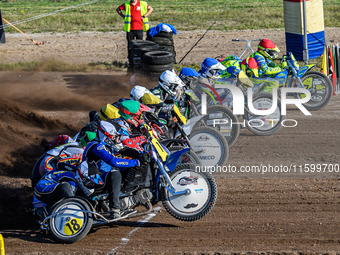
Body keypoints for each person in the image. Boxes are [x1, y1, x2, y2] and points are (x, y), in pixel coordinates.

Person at [82, 120, 140, 219]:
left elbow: (122, 151)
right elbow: (113, 161)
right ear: (106, 136)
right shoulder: (97, 146)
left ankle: (127, 197)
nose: (117, 139)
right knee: (115, 172)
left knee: (125, 170)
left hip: (101, 176)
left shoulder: (105, 145)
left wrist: (139, 154)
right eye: (115, 137)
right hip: (93, 178)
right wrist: (135, 162)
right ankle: (115, 209)